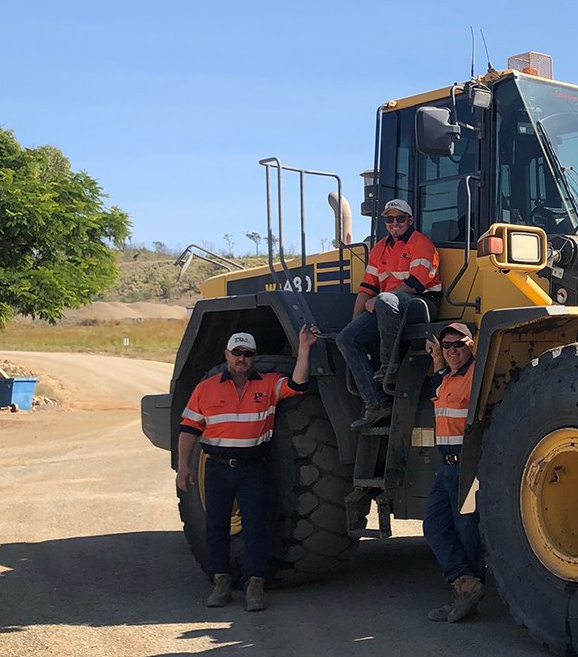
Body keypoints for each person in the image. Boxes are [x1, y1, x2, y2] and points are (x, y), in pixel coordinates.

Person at [176, 326, 318, 612]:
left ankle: (255, 585)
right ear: (227, 354)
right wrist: (183, 467)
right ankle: (221, 582)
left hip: (253, 469)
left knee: (256, 528)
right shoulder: (206, 388)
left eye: (247, 354)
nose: (241, 358)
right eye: (237, 353)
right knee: (216, 527)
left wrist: (304, 348)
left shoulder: (268, 385)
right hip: (217, 470)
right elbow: (189, 429)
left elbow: (299, 384)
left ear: (254, 357)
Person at [338, 198, 442, 429]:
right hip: (388, 307)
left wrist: (379, 300)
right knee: (346, 338)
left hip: (421, 303)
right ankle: (375, 404)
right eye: (389, 219)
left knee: (386, 300)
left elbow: (415, 284)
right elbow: (367, 287)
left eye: (400, 218)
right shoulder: (380, 249)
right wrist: (356, 319)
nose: (395, 223)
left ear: (410, 220)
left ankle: (389, 365)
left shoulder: (421, 243)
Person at [422, 322, 486, 623]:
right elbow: (437, 382)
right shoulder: (445, 379)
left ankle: (467, 593)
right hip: (446, 466)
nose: (452, 351)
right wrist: (436, 359)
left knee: (468, 531)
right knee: (434, 526)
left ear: (470, 345)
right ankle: (465, 582)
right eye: (447, 346)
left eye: (458, 345)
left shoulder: (476, 376)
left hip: (467, 465)